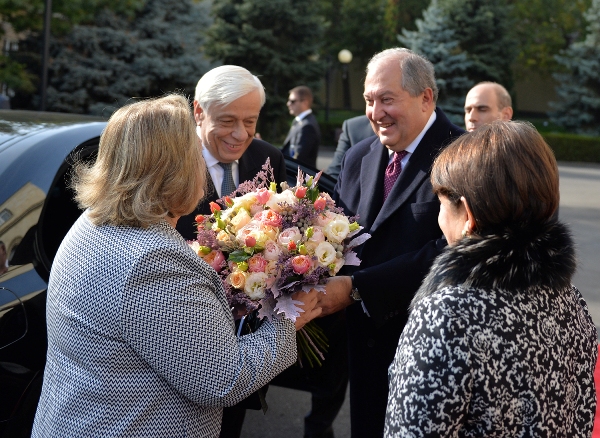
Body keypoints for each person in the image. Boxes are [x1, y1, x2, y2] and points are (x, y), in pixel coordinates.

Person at [31, 94, 322, 437]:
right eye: (194, 153)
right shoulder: (154, 260)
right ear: (178, 168)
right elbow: (223, 380)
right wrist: (289, 322)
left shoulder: (93, 223)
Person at [385, 120, 598, 436]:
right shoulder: (571, 301)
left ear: (467, 215)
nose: (439, 218)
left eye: (441, 204)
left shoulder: (448, 314)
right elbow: (582, 417)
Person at [318, 47, 465, 437]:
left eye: (387, 99)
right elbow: (339, 235)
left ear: (426, 97)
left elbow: (453, 250)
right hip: (360, 345)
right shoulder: (359, 156)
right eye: (369, 100)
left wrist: (356, 289)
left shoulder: (464, 157)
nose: (375, 112)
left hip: (429, 348)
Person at [176, 65, 287, 242]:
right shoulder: (172, 162)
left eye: (250, 121)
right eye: (227, 121)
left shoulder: (269, 159)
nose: (241, 134)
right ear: (198, 113)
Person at [281, 85, 321, 167]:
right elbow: (287, 151)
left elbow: (298, 159)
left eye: (292, 101)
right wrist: (265, 147)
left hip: (299, 177)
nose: (288, 104)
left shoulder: (307, 126)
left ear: (305, 102)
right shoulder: (299, 121)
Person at [325, 115, 375, 179]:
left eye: (387, 104)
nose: (375, 114)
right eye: (371, 104)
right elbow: (335, 173)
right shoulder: (352, 128)